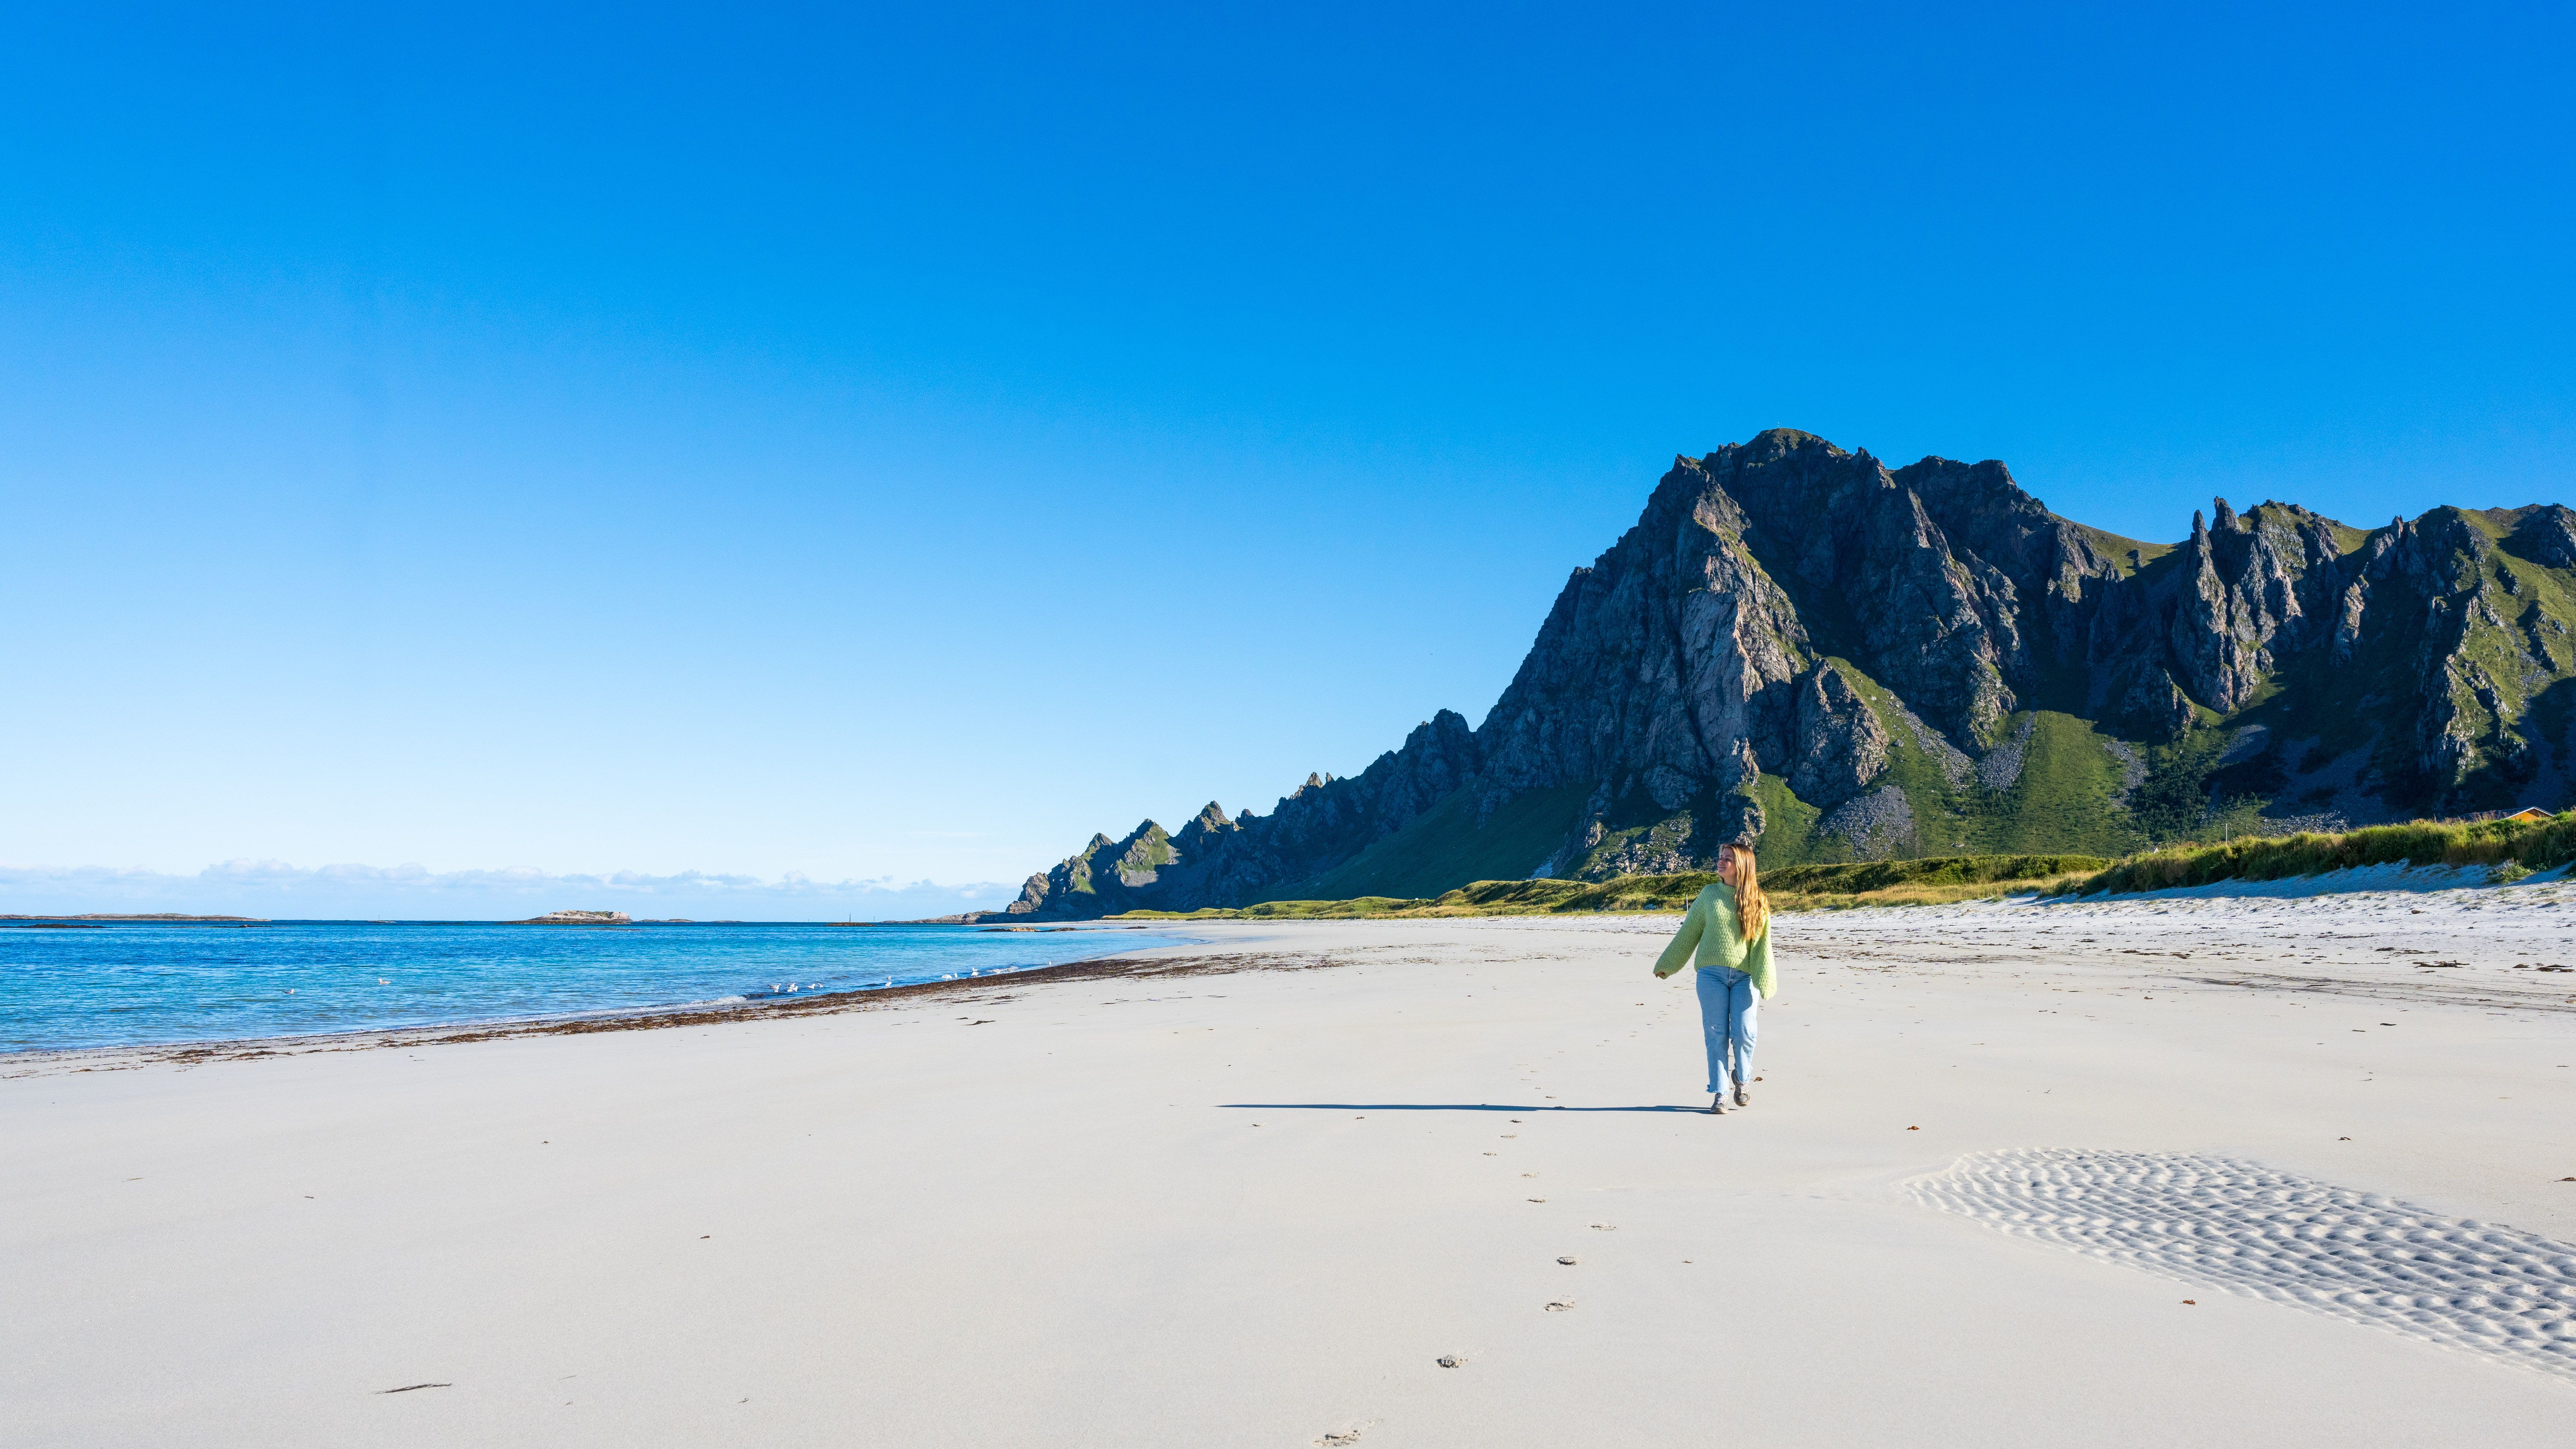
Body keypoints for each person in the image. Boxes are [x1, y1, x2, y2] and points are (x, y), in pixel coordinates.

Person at [1650, 841, 1774, 1114]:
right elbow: (1689, 933)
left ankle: (1742, 1079)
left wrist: (1766, 978)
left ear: (1741, 866)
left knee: (1745, 1033)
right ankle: (1720, 1093)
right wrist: (1668, 965)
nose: (1721, 861)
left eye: (1728, 858)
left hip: (1746, 976)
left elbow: (1763, 944)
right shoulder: (1708, 895)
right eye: (1720, 856)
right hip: (1711, 976)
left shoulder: (1758, 901)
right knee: (1716, 1034)